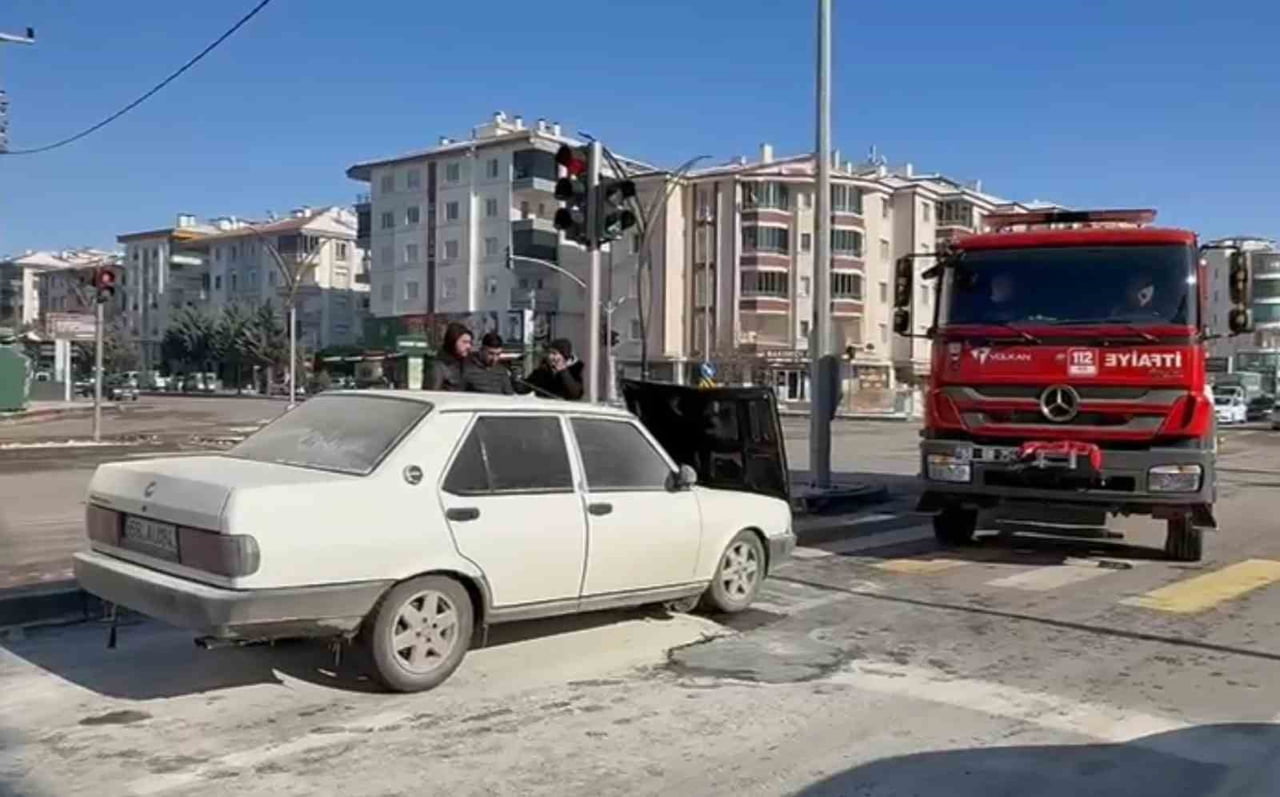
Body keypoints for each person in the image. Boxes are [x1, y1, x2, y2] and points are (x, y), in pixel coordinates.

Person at [426, 321, 472, 391]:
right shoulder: (438, 366)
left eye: (470, 343)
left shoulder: (465, 363)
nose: (468, 346)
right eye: (464, 342)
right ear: (453, 341)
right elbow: (432, 393)